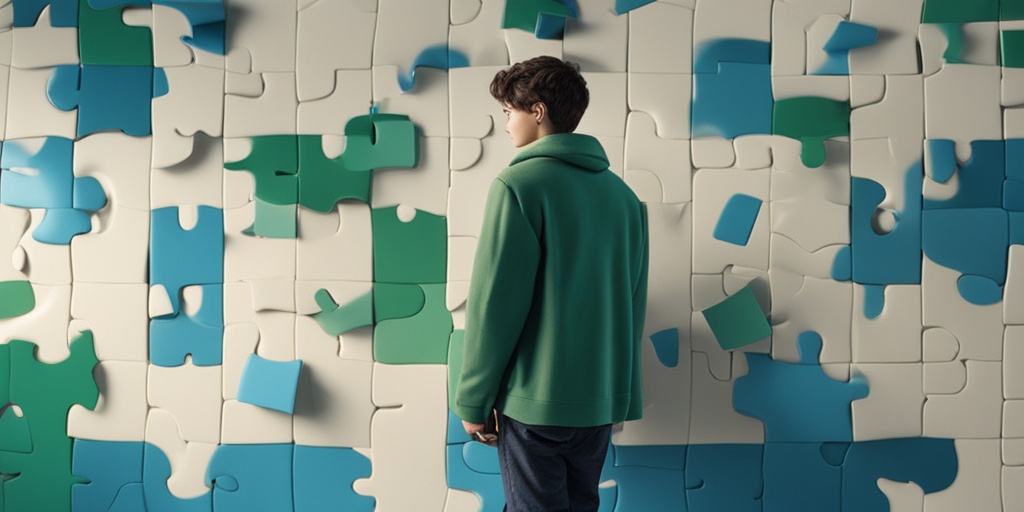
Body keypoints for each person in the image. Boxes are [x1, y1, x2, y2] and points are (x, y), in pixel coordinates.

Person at [453, 56, 650, 512]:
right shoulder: (623, 197)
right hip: (598, 403)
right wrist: (618, 394)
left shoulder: (519, 185)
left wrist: (473, 401)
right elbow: (631, 305)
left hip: (534, 404)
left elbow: (495, 305)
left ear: (537, 111)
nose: (505, 124)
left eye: (508, 112)